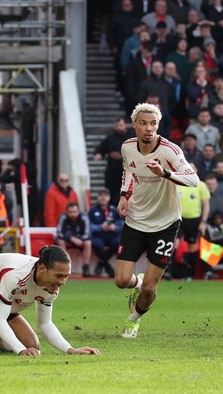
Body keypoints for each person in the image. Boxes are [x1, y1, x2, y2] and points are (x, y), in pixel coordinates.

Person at [116, 102, 198, 339]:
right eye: (143, 123)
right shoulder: (127, 147)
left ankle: (134, 320)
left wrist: (165, 174)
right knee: (121, 280)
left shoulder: (169, 151)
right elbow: (128, 171)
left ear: (158, 126)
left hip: (165, 223)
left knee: (152, 288)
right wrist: (124, 196)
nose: (148, 128)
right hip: (135, 220)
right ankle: (137, 284)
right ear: (134, 126)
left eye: (153, 124)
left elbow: (194, 180)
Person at [94, 117, 135, 206]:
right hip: (112, 173)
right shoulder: (110, 138)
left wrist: (121, 157)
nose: (119, 127)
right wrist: (99, 154)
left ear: (125, 125)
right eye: (117, 125)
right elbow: (101, 148)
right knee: (112, 194)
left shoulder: (132, 138)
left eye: (121, 125)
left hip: (128, 172)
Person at [88, 189, 123, 278]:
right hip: (99, 234)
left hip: (111, 234)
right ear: (98, 197)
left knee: (118, 242)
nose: (103, 198)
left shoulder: (114, 210)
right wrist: (100, 227)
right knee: (97, 244)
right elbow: (89, 225)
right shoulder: (92, 210)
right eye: (101, 195)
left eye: (105, 196)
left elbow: (121, 223)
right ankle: (107, 266)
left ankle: (102, 262)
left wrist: (115, 227)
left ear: (109, 198)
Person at [55, 202, 93, 277]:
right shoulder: (63, 217)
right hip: (67, 239)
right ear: (67, 212)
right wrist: (71, 238)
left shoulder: (84, 218)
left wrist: (81, 239)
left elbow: (87, 233)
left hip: (80, 240)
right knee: (60, 241)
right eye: (70, 212)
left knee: (88, 243)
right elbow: (59, 233)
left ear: (78, 211)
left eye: (74, 212)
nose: (72, 214)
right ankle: (64, 266)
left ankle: (86, 267)